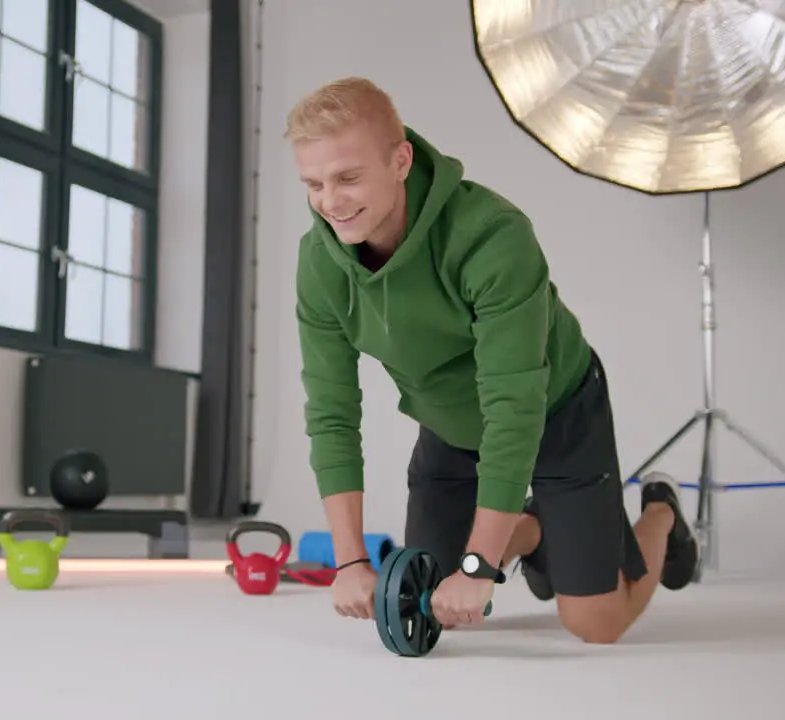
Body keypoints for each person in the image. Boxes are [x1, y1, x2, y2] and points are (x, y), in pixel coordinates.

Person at [289, 77, 700, 644]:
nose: (331, 201)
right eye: (313, 184)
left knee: (595, 624)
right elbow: (332, 412)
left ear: (401, 160)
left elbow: (514, 407)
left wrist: (481, 566)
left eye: (348, 177)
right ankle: (533, 530)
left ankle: (662, 515)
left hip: (556, 410)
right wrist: (350, 562)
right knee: (432, 597)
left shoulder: (492, 236)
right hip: (450, 427)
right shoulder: (320, 264)